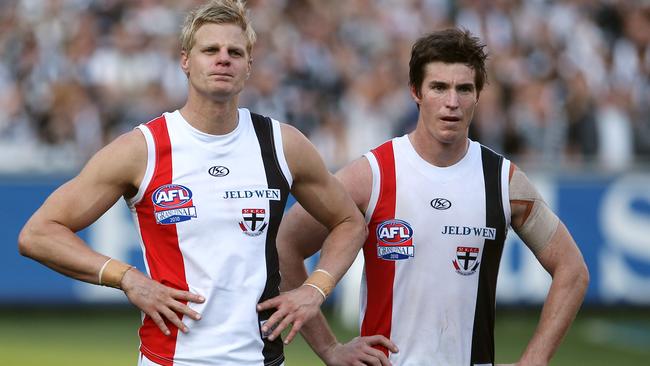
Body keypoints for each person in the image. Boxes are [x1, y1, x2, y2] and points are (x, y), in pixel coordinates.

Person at [18, 1, 369, 365]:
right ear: (185, 60)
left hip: (261, 359)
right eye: (210, 50)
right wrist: (127, 278)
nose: (223, 59)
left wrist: (316, 288)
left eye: (235, 51)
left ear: (249, 66)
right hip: (171, 359)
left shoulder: (282, 144)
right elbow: (38, 234)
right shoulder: (144, 149)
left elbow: (348, 222)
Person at [277, 28, 590, 366]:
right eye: (439, 87)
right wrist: (329, 348)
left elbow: (572, 269)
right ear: (416, 92)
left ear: (478, 95)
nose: (452, 102)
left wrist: (536, 358)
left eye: (464, 89)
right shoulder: (372, 174)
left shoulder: (503, 181)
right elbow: (285, 246)